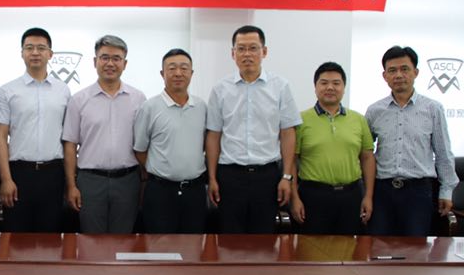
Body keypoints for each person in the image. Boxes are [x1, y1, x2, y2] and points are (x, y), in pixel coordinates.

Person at [206, 25, 301, 233]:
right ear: (233, 54)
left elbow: (287, 133)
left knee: (264, 238)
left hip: (267, 176)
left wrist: (286, 176)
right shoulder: (220, 89)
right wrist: (212, 178)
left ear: (264, 52)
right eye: (241, 49)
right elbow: (213, 136)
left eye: (253, 48)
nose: (247, 54)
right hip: (230, 175)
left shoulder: (280, 87)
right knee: (229, 238)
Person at [365, 46, 459, 236]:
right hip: (382, 192)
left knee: (416, 247)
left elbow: (443, 153)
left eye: (404, 69)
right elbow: (365, 153)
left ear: (415, 72)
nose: (398, 75)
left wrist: (446, 191)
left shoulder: (433, 109)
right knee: (378, 247)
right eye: (392, 70)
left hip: (418, 192)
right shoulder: (374, 111)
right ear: (385, 76)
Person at [62, 34, 146, 233]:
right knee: (91, 241)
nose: (110, 63)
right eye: (105, 57)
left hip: (127, 181)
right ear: (95, 61)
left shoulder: (138, 99)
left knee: (123, 240)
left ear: (125, 64)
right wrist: (71, 185)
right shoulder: (79, 100)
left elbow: (143, 144)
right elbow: (70, 145)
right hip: (90, 182)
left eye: (116, 58)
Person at [0, 27, 70, 232]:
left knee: (51, 236)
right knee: (17, 237)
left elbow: (68, 138)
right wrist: (6, 179)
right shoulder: (7, 91)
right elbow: (0, 137)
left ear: (50, 54)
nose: (35, 52)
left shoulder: (63, 90)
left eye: (41, 48)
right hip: (19, 174)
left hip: (53, 174)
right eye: (29, 48)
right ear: (22, 53)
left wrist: (69, 181)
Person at [291, 62, 375, 235]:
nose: (330, 87)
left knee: (349, 248)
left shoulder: (358, 119)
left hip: (351, 195)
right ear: (315, 87)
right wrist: (294, 198)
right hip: (313, 195)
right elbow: (291, 161)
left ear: (344, 88)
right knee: (312, 247)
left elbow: (367, 158)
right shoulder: (300, 120)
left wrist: (368, 196)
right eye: (324, 83)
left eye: (336, 83)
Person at [133, 49, 208, 233]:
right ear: (162, 73)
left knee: (193, 244)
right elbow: (140, 150)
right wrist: (162, 169)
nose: (178, 73)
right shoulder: (149, 107)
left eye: (184, 68)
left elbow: (204, 145)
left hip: (195, 191)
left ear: (192, 73)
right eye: (172, 68)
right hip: (160, 191)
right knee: (160, 245)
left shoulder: (201, 107)